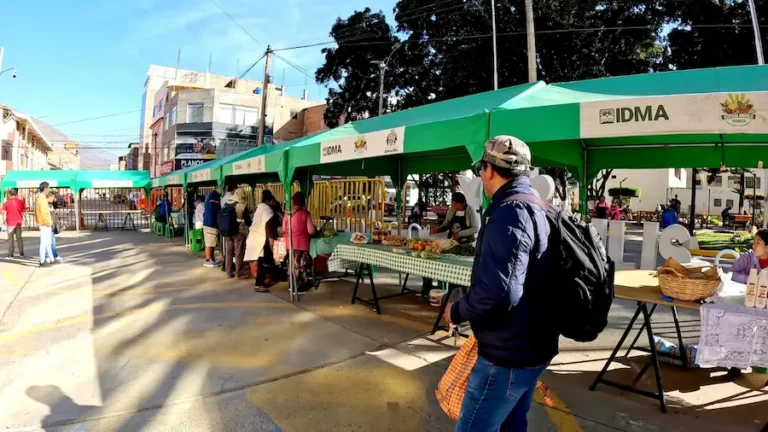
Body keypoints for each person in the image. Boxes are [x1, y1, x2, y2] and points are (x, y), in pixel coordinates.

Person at [445, 136, 556, 431]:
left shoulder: (509, 213)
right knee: (511, 425)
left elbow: (501, 291)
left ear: (489, 170)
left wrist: (457, 311)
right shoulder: (536, 205)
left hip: (508, 353)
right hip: (531, 345)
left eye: (482, 168)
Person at [245, 190, 280, 292]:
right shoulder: (267, 210)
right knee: (264, 262)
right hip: (261, 238)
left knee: (263, 261)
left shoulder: (259, 208)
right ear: (269, 201)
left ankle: (262, 281)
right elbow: (267, 225)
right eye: (273, 201)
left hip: (254, 237)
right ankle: (259, 284)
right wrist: (271, 239)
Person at [283, 192, 317, 293]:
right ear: (303, 201)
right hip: (302, 244)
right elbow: (311, 231)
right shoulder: (305, 213)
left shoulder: (287, 213)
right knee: (302, 265)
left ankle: (291, 285)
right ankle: (300, 286)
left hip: (289, 244)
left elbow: (284, 229)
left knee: (292, 265)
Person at [223, 188, 252, 279]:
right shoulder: (242, 205)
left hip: (228, 231)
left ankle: (228, 272)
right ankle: (238, 272)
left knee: (229, 252)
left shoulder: (226, 204)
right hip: (239, 231)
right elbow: (248, 221)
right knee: (239, 252)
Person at [35, 182, 54, 267]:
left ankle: (51, 258)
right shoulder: (42, 199)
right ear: (45, 189)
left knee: (48, 242)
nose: (49, 190)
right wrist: (48, 222)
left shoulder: (41, 198)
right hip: (44, 223)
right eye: (48, 188)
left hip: (43, 222)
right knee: (44, 242)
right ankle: (42, 261)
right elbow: (44, 213)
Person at [203, 185, 223, 268]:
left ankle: (212, 259)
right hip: (210, 223)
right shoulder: (213, 197)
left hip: (210, 222)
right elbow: (215, 210)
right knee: (209, 243)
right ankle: (208, 260)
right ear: (218, 188)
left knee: (212, 242)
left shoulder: (212, 195)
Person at [3, 188, 25, 258]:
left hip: (10, 223)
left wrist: (4, 221)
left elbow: (4, 212)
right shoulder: (21, 202)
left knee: (10, 239)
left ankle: (11, 253)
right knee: (19, 238)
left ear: (9, 195)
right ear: (16, 194)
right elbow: (23, 211)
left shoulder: (7, 202)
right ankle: (21, 253)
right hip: (18, 222)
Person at [46, 194, 63, 263]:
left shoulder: (51, 205)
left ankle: (54, 255)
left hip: (52, 226)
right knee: (49, 243)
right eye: (53, 198)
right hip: (48, 226)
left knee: (53, 242)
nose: (54, 199)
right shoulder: (46, 205)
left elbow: (54, 215)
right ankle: (49, 257)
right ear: (50, 197)